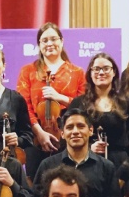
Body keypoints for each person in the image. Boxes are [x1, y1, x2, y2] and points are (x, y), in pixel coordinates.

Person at [16, 23, 87, 178]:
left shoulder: (77, 72)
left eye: (53, 39)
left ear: (61, 41)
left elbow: (84, 105)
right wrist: (39, 133)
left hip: (66, 137)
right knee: (35, 182)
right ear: (39, 45)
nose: (49, 43)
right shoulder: (28, 71)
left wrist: (59, 97)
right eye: (44, 40)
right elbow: (24, 105)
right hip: (35, 137)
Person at [34, 110, 121, 197]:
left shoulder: (107, 167)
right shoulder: (47, 165)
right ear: (63, 133)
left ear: (90, 131)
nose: (75, 131)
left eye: (80, 126)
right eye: (70, 127)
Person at [68, 53, 129, 168]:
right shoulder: (78, 103)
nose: (101, 73)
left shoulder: (128, 104)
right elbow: (68, 137)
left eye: (106, 68)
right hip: (87, 162)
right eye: (96, 69)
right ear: (90, 73)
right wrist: (88, 148)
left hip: (122, 165)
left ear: (114, 72)